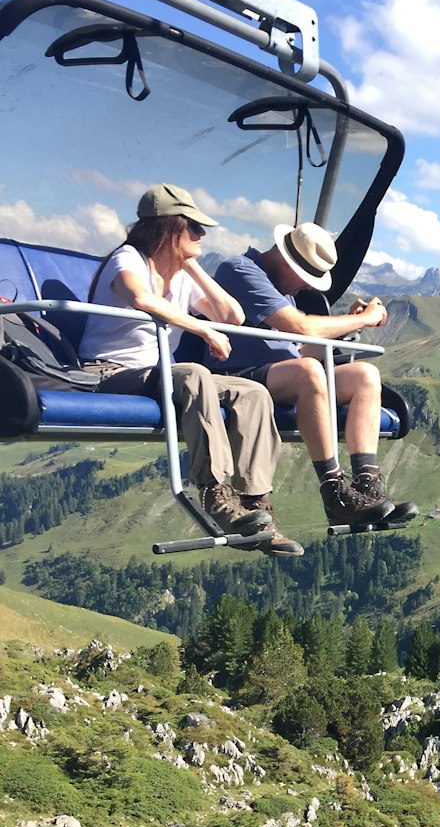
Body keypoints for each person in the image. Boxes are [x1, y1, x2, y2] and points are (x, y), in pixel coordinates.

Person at [80, 184, 302, 556]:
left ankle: (255, 505)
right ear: (169, 227)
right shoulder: (129, 259)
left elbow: (232, 315)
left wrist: (191, 265)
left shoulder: (181, 275)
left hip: (157, 374)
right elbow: (139, 297)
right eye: (194, 228)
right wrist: (200, 327)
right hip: (111, 371)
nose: (202, 234)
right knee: (194, 373)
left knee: (253, 393)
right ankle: (217, 495)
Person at [211, 223, 417, 529]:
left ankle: (366, 486)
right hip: (237, 374)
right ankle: (335, 494)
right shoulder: (240, 271)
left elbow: (298, 348)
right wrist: (366, 317)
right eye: (305, 277)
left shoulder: (281, 288)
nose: (306, 287)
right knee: (309, 373)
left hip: (280, 373)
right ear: (285, 260)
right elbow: (301, 328)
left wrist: (352, 323)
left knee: (365, 375)